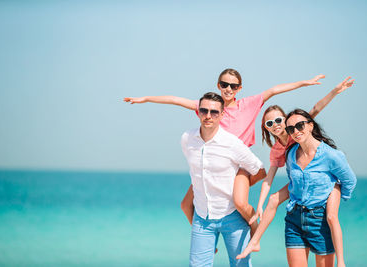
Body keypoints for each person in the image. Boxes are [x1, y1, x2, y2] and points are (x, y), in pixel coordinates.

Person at [124, 68, 325, 235]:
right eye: (225, 84)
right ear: (219, 85)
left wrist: (305, 83)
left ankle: (254, 230)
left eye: (234, 85)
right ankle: (207, 239)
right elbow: (175, 99)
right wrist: (146, 99)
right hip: (214, 165)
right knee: (186, 206)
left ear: (239, 88)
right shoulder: (211, 108)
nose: (229, 88)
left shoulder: (249, 104)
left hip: (240, 165)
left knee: (239, 201)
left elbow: (274, 90)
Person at [236, 77, 354, 267]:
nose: (275, 125)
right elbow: (268, 179)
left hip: (314, 185)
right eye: (269, 124)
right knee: (273, 199)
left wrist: (334, 90)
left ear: (286, 120)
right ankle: (255, 240)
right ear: (266, 129)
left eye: (278, 120)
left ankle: (341, 260)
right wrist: (259, 205)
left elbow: (316, 108)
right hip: (297, 185)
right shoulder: (277, 149)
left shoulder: (298, 129)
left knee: (331, 217)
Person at [181, 92, 266, 266]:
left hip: (232, 216)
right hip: (202, 217)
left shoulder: (232, 143)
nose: (208, 116)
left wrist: (242, 182)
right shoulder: (187, 139)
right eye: (204, 111)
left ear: (222, 114)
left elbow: (259, 170)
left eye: (214, 112)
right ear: (198, 112)